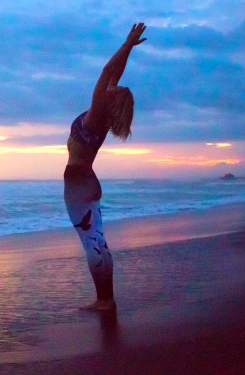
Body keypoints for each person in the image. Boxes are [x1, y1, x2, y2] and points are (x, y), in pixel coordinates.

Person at [64, 22, 146, 312]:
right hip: (87, 181)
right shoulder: (105, 112)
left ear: (113, 101)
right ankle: (106, 298)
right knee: (98, 240)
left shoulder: (98, 113)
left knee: (92, 244)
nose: (116, 84)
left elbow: (104, 72)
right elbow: (114, 72)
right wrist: (129, 48)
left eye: (118, 89)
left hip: (77, 183)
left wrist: (125, 45)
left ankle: (104, 301)